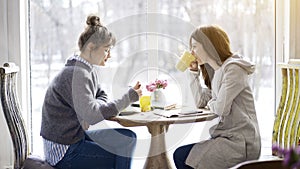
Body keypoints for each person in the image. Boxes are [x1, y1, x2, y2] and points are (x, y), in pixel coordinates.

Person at [40, 14, 142, 169]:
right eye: (106, 50)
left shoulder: (86, 69)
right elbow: (94, 115)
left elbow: (101, 96)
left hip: (75, 138)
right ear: (90, 47)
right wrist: (128, 98)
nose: (109, 55)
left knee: (128, 138)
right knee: (123, 149)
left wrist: (88, 110)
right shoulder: (76, 74)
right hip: (64, 150)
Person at [173, 25, 261, 169]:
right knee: (182, 156)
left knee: (182, 157)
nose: (192, 52)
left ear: (208, 45)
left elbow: (220, 108)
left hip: (242, 143)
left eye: (195, 46)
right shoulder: (218, 71)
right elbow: (201, 101)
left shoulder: (234, 69)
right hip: (227, 138)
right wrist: (194, 72)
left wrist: (213, 102)